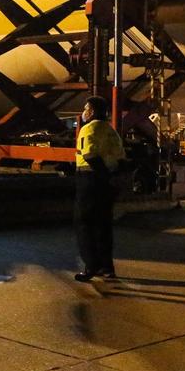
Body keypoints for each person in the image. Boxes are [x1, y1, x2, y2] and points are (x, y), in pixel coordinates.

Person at [73, 96, 126, 282]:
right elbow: (120, 158)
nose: (84, 112)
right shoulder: (111, 130)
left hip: (89, 178)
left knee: (84, 222)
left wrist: (101, 175)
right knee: (104, 224)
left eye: (86, 108)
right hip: (107, 180)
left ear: (93, 111)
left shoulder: (88, 129)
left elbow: (89, 154)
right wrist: (111, 179)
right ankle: (107, 267)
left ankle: (90, 265)